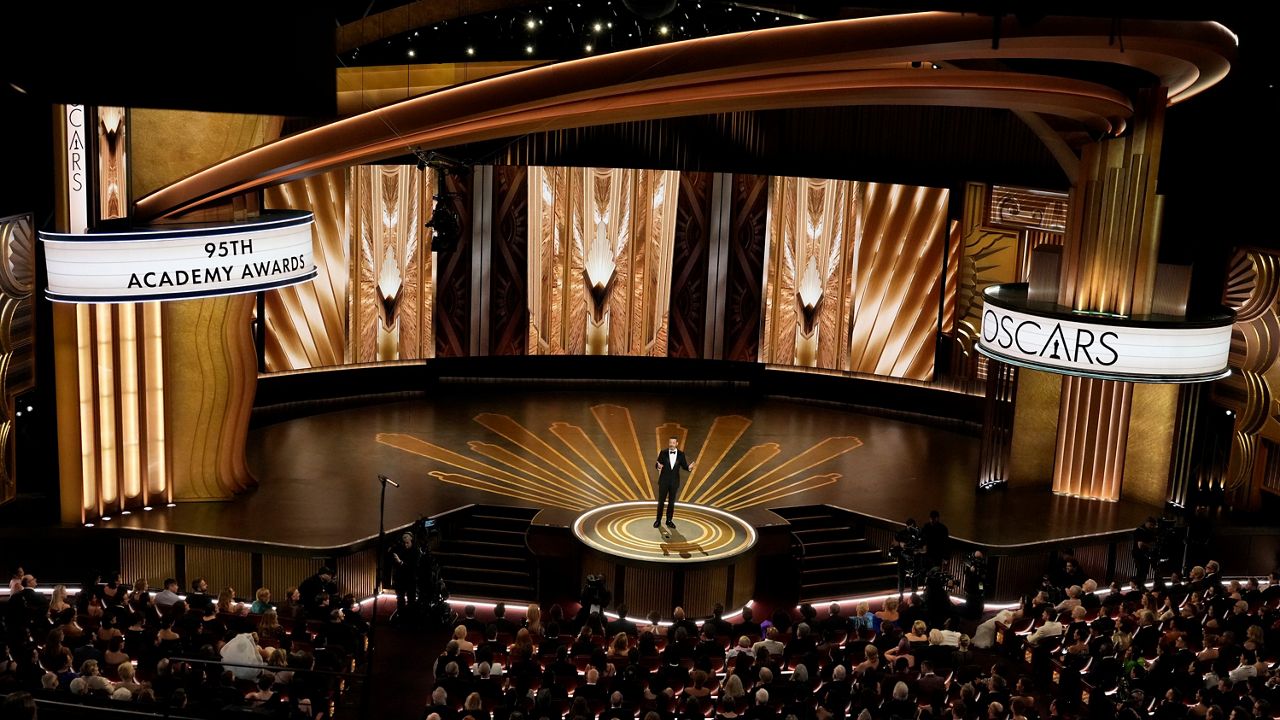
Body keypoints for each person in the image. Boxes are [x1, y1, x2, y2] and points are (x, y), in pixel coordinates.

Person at [654, 436, 696, 528]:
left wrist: (689, 468)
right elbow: (657, 464)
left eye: (673, 443)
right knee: (661, 501)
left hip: (674, 482)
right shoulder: (663, 453)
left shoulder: (681, 454)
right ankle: (658, 520)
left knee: (671, 502)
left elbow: (684, 466)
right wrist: (658, 466)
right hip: (664, 481)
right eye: (670, 443)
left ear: (677, 444)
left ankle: (669, 520)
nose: (671, 444)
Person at [388, 532, 422, 619]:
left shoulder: (416, 550)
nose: (405, 541)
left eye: (406, 538)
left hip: (411, 578)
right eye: (403, 539)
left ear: (411, 538)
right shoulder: (401, 548)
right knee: (400, 598)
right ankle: (401, 614)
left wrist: (400, 562)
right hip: (401, 578)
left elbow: (412, 566)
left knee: (411, 598)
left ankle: (411, 616)